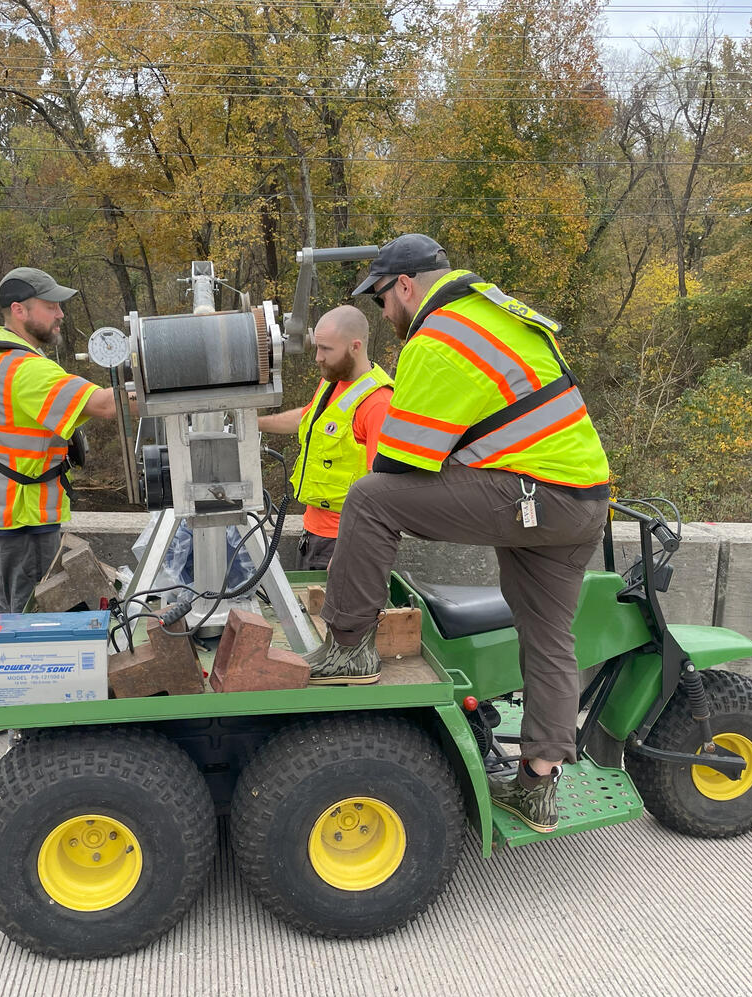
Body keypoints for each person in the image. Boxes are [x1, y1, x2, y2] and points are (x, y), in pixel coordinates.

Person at [311, 234, 611, 834]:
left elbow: (397, 465)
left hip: (535, 497)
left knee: (369, 500)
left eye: (381, 301)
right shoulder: (496, 313)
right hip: (581, 499)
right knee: (550, 637)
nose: (385, 315)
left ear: (404, 285)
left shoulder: (439, 335)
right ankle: (537, 788)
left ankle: (349, 647)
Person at [0, 267, 117, 733]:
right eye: (51, 305)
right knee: (20, 614)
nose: (60, 314)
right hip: (21, 511)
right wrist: (167, 384)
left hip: (3, 507)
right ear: (20, 310)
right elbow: (105, 405)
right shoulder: (26, 368)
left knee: (10, 608)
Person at [257, 305, 393, 570]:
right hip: (314, 535)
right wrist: (255, 423)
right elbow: (306, 418)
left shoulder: (378, 403)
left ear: (355, 346)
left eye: (327, 350)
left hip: (341, 542)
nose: (318, 357)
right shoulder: (333, 381)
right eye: (317, 347)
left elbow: (385, 489)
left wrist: (354, 547)